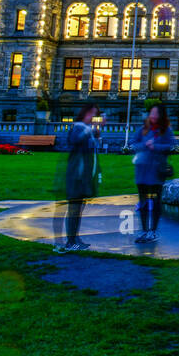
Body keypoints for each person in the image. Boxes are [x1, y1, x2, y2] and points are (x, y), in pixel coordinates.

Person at [57, 103, 103, 252]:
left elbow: (91, 150)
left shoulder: (86, 129)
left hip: (84, 176)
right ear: (86, 113)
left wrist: (95, 134)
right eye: (92, 114)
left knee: (78, 209)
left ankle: (75, 238)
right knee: (74, 209)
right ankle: (71, 241)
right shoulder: (78, 127)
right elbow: (75, 141)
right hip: (76, 175)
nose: (93, 117)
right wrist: (91, 130)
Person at [131, 103, 175, 243]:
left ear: (161, 116)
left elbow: (171, 146)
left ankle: (153, 231)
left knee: (156, 201)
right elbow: (133, 144)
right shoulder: (143, 129)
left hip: (157, 171)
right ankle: (144, 230)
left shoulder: (166, 130)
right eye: (152, 113)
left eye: (156, 113)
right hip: (142, 170)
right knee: (143, 201)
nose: (153, 116)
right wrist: (145, 145)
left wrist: (155, 146)